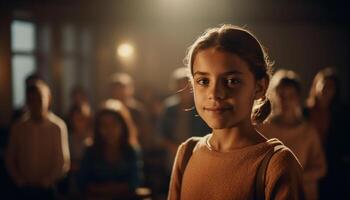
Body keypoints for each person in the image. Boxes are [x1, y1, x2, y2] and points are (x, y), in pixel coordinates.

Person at [168, 24, 304, 200]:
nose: (215, 94)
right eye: (203, 81)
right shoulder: (187, 154)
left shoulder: (275, 164)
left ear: (260, 87)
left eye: (231, 81)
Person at [256, 69, 327, 200]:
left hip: (302, 193)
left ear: (297, 98)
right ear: (273, 96)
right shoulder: (263, 128)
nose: (285, 100)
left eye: (290, 95)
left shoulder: (308, 131)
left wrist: (294, 177)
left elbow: (320, 167)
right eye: (281, 95)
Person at [5, 80, 70, 199]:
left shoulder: (58, 127)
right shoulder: (18, 127)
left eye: (39, 99)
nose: (35, 104)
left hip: (48, 189)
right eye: (31, 100)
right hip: (23, 189)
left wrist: (47, 181)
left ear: (48, 99)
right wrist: (20, 181)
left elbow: (62, 161)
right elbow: (10, 158)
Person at [77, 99, 144, 200]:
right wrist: (117, 188)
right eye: (104, 125)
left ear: (123, 126)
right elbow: (83, 183)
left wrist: (101, 188)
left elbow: (134, 183)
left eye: (114, 124)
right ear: (98, 128)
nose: (109, 130)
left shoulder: (131, 150)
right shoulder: (91, 151)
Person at [304, 67, 350, 199]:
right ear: (316, 85)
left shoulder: (342, 114)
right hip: (308, 164)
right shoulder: (304, 112)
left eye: (331, 86)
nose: (326, 88)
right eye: (323, 83)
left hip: (333, 167)